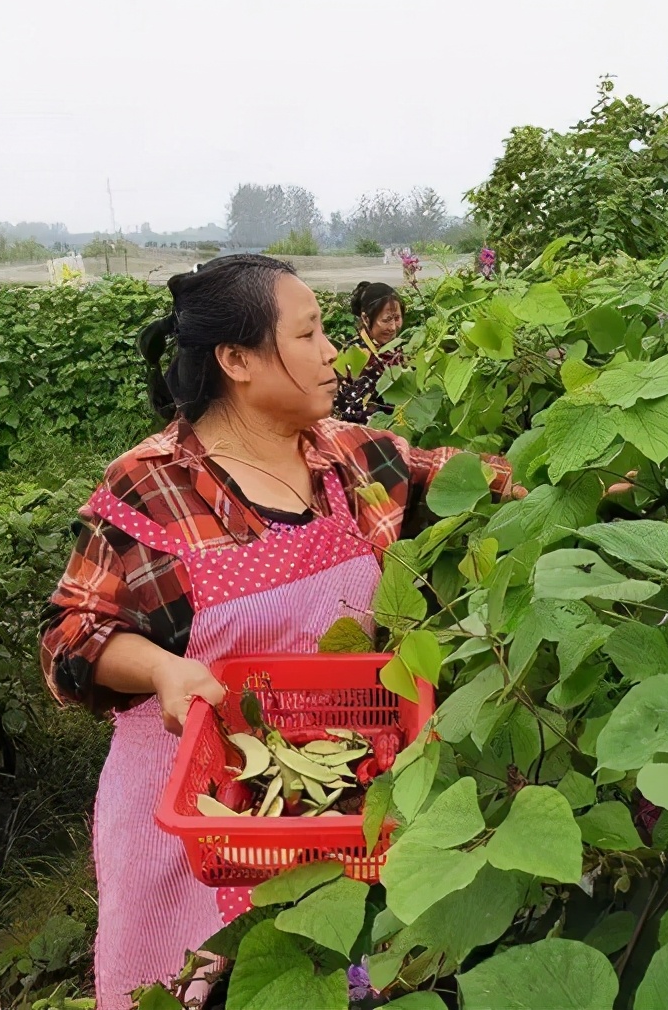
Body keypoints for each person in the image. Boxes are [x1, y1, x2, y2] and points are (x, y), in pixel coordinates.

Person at [38, 255, 518, 1009]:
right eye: (310, 333)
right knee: (204, 986)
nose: (333, 351)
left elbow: (466, 476)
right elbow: (70, 637)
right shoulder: (156, 483)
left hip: (336, 805)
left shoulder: (351, 458)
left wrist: (582, 477)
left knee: (333, 977)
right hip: (199, 825)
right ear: (236, 360)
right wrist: (164, 673)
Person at [332, 280, 406, 424]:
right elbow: (344, 412)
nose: (393, 327)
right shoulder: (354, 355)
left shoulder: (396, 349)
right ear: (366, 318)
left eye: (397, 318)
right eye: (386, 320)